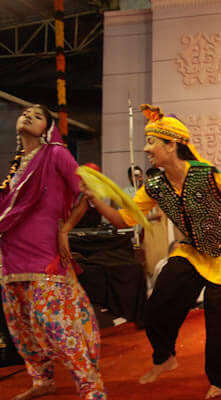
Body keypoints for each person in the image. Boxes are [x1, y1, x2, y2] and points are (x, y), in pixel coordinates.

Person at [81, 104, 221, 399]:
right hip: (195, 250)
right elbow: (126, 218)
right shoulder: (154, 186)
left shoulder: (205, 175)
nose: (147, 148)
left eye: (152, 142)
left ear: (171, 144)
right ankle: (165, 357)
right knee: (160, 301)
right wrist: (96, 202)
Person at [0, 105, 106, 400]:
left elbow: (86, 192)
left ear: (48, 128)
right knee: (21, 325)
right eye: (24, 112)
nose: (28, 115)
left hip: (44, 251)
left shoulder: (56, 154)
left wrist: (65, 229)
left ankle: (90, 386)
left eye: (38, 114)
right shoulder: (17, 165)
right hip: (9, 254)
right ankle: (42, 379)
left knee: (54, 322)